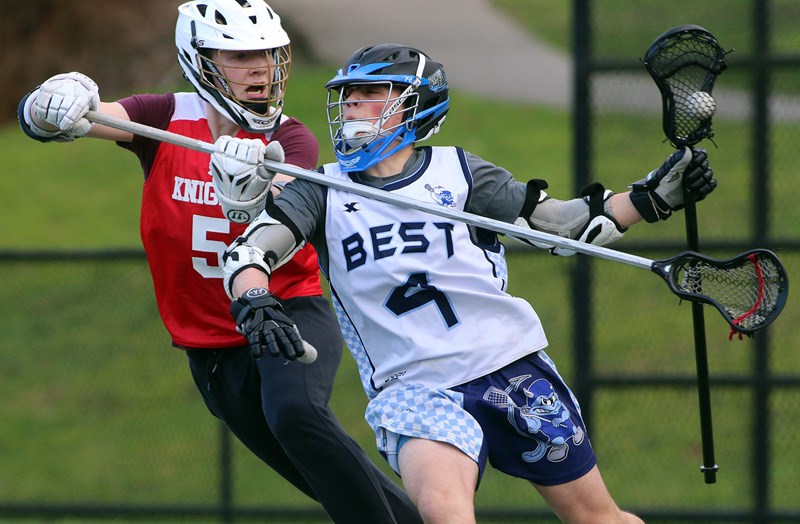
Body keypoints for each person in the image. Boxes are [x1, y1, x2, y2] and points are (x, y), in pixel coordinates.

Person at [217, 43, 718, 523]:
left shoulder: (460, 172)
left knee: (596, 517)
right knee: (442, 513)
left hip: (511, 365)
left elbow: (565, 227)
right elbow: (250, 252)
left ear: (413, 107)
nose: (351, 105)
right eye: (347, 95)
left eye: (370, 94)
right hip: (415, 388)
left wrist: (654, 197)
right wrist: (254, 297)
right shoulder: (321, 190)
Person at [17, 4, 423, 523]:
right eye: (241, 56)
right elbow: (79, 121)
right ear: (200, 59)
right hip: (208, 345)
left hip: (283, 309)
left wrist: (252, 186)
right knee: (318, 472)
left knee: (297, 416)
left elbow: (286, 200)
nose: (260, 68)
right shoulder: (163, 117)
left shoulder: (290, 137)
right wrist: (49, 106)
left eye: (268, 55)